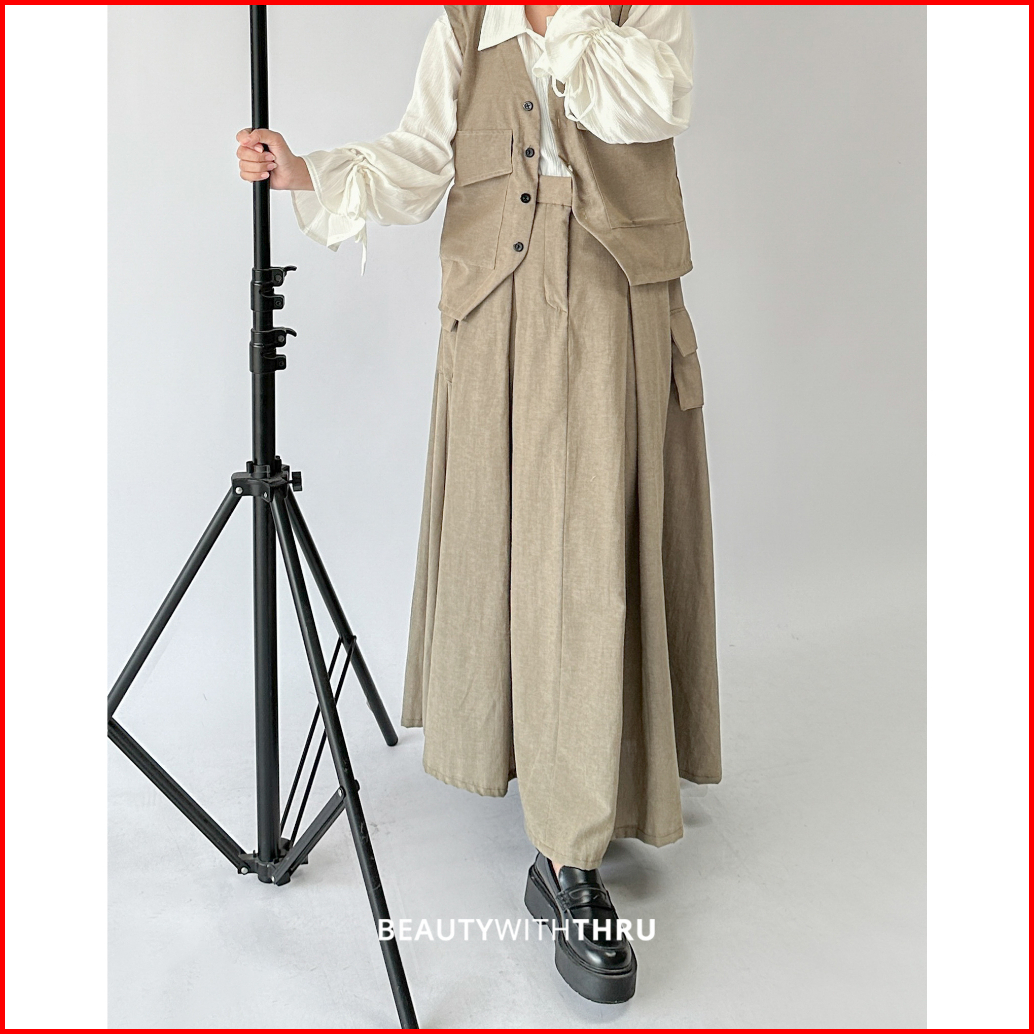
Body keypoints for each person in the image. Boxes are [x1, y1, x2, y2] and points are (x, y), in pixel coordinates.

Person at [236, 4, 721, 1005]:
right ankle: (538, 775)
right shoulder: (463, 25)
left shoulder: (635, 11)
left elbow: (652, 101)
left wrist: (570, 18)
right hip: (494, 315)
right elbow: (423, 155)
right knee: (514, 560)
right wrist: (307, 171)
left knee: (585, 566)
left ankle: (569, 851)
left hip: (609, 302)